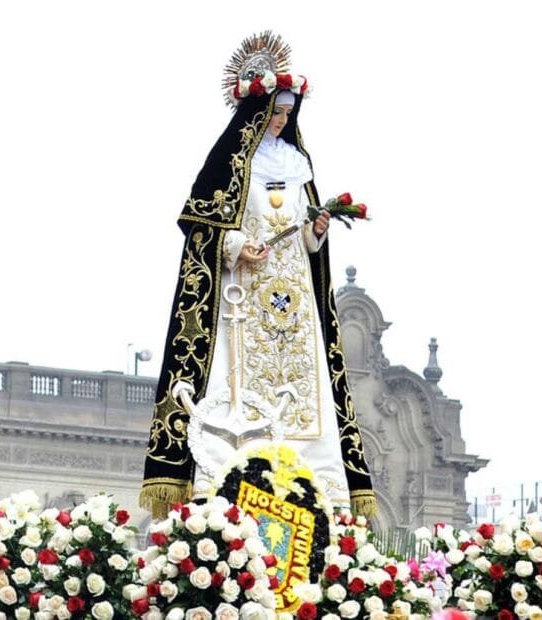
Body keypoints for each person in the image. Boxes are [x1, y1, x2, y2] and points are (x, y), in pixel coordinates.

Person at [140, 31, 375, 519]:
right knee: (235, 379)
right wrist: (233, 243)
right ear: (255, 114)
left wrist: (316, 232)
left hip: (294, 295)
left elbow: (309, 239)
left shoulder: (298, 162)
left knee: (307, 386)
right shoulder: (230, 162)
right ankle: (229, 471)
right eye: (275, 114)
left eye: (288, 115)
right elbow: (202, 223)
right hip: (242, 298)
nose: (282, 122)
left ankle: (313, 477)